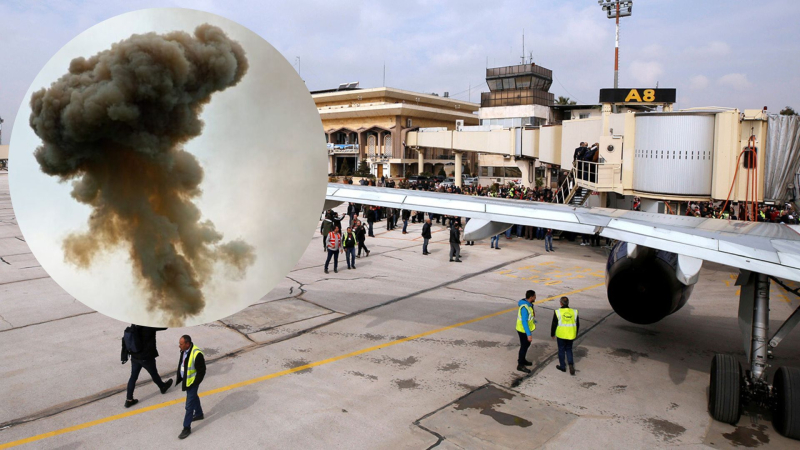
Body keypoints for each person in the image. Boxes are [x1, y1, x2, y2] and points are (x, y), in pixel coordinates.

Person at [121, 325, 173, 408]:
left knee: (133, 377)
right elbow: (165, 327)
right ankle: (162, 387)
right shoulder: (149, 327)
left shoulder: (133, 327)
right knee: (154, 374)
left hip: (135, 357)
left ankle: (129, 400)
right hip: (146, 357)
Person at [176, 335, 205, 440]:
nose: (179, 346)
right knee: (193, 398)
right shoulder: (185, 350)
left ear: (187, 344)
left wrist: (194, 383)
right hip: (187, 382)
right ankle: (198, 414)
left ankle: (186, 427)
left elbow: (202, 372)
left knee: (188, 406)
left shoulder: (197, 354)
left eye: (181, 344)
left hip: (192, 383)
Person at [551, 297, 579, 376]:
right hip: (571, 334)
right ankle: (570, 364)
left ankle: (562, 366)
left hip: (561, 334)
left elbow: (554, 324)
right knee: (569, 349)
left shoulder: (558, 312)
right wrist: (576, 333)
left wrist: (552, 333)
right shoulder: (574, 312)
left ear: (561, 303)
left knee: (561, 350)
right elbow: (577, 324)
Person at [516, 290, 536, 373]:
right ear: (531, 297)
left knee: (526, 345)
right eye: (534, 296)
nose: (535, 297)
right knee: (524, 346)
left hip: (524, 329)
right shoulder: (525, 307)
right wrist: (529, 334)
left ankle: (522, 360)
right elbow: (524, 322)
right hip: (523, 330)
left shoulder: (528, 304)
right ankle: (520, 364)